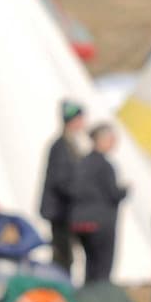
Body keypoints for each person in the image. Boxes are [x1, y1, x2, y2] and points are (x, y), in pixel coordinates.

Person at [70, 123, 128, 283]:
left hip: (81, 223)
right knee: (102, 268)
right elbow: (113, 193)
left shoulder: (81, 162)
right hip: (101, 223)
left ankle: (87, 301)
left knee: (89, 265)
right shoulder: (105, 165)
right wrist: (125, 191)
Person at [39, 99, 84, 274]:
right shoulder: (61, 146)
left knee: (65, 255)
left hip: (64, 210)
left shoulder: (70, 144)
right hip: (60, 211)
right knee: (62, 255)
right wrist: (79, 192)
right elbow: (61, 180)